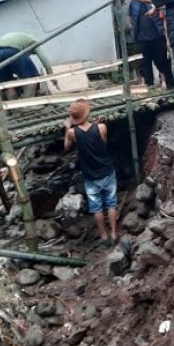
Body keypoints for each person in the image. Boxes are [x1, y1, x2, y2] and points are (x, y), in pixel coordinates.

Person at [63, 99, 118, 245]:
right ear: (87, 115)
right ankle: (114, 233)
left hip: (90, 175)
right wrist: (96, 124)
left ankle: (103, 235)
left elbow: (66, 147)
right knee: (111, 203)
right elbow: (104, 143)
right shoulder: (101, 127)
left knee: (97, 207)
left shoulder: (72, 132)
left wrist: (67, 128)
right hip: (107, 170)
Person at [127, 0, 174, 89]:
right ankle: (150, 86)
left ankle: (170, 85)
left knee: (162, 61)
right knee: (146, 63)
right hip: (142, 38)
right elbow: (131, 18)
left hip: (157, 36)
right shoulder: (133, 4)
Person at [0, 31, 56, 99]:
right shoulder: (34, 42)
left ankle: (12, 106)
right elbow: (43, 58)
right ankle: (27, 105)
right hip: (11, 50)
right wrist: (51, 76)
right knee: (32, 78)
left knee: (7, 84)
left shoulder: (21, 39)